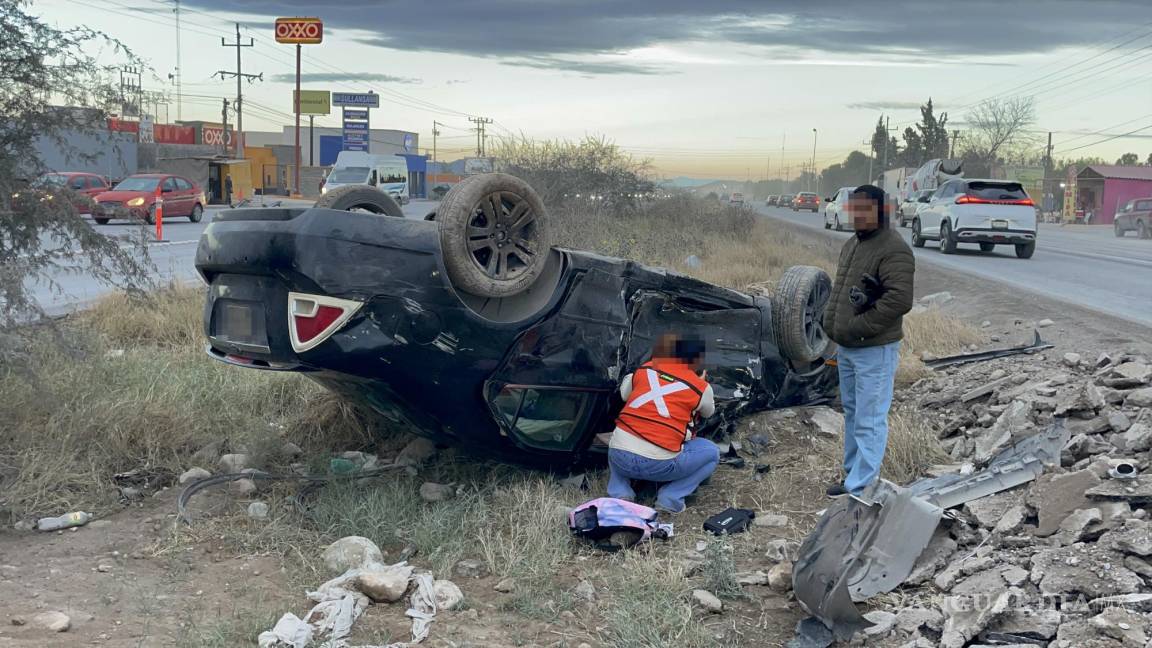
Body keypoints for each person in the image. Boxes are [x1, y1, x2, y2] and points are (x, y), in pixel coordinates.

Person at [822, 184, 915, 498]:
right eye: (854, 208)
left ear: (881, 211)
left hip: (874, 348)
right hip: (849, 347)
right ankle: (853, 476)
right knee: (852, 412)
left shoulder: (893, 248)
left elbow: (899, 300)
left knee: (870, 417)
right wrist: (834, 326)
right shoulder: (854, 244)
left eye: (865, 209)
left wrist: (859, 327)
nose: (857, 215)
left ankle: (862, 486)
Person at [606, 334, 719, 514]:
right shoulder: (700, 387)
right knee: (712, 453)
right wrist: (702, 381)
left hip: (620, 459)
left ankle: (620, 493)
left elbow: (624, 394)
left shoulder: (643, 370)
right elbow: (708, 412)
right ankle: (670, 499)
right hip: (660, 466)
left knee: (620, 437)